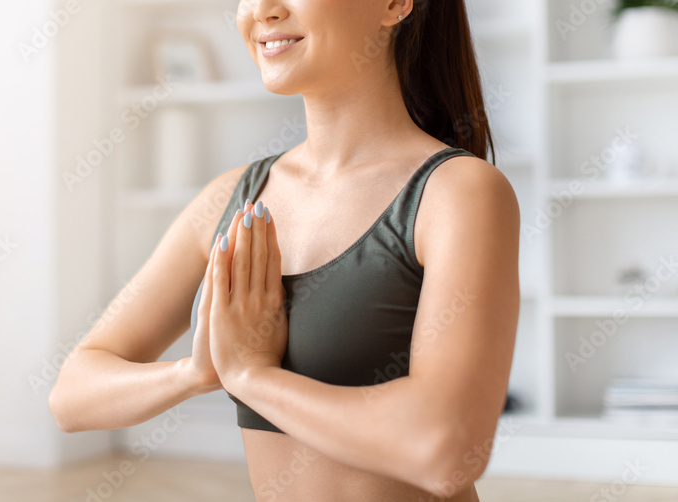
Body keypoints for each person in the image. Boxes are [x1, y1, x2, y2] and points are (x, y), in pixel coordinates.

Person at [49, 0, 520, 500]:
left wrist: (253, 376)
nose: (262, 10)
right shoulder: (231, 200)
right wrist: (194, 373)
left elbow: (445, 450)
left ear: (394, 5)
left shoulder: (458, 193)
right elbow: (72, 396)